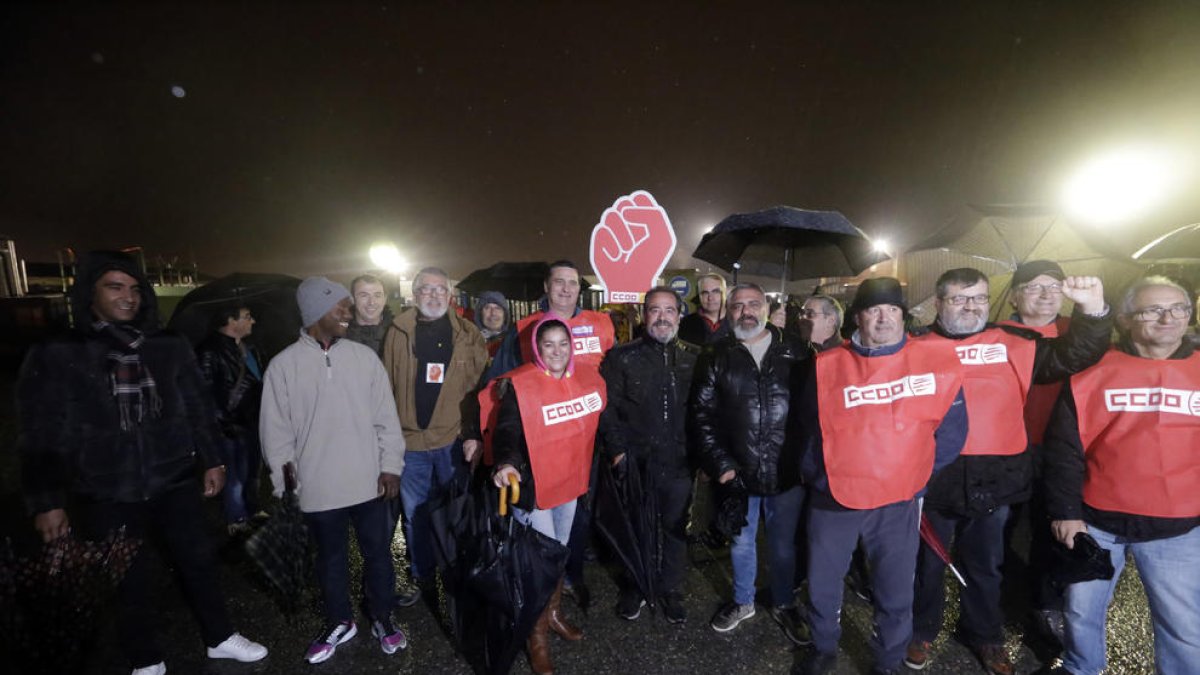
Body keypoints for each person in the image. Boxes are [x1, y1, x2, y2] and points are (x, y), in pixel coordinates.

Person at [18, 250, 268, 675]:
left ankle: (220, 636)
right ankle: (146, 657)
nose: (128, 297)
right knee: (126, 577)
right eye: (114, 287)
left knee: (199, 561)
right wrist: (47, 500)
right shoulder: (60, 353)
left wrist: (212, 459)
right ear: (90, 294)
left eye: (135, 288)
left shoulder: (167, 346)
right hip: (103, 487)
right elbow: (41, 431)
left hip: (172, 477)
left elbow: (197, 408)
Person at [904, 267, 1110, 674]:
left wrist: (1093, 310)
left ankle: (985, 635)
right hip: (932, 475)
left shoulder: (1014, 343)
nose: (971, 306)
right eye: (960, 299)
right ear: (939, 303)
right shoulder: (913, 346)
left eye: (979, 298)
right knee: (927, 563)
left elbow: (1074, 354)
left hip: (994, 477)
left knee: (986, 564)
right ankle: (921, 629)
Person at [793, 277, 968, 675]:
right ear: (858, 316)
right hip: (834, 497)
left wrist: (913, 472)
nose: (884, 318)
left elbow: (952, 432)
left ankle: (888, 660)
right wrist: (819, 475)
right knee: (823, 582)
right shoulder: (826, 366)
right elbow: (806, 430)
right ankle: (823, 648)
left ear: (903, 316)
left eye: (893, 310)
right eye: (875, 310)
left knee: (894, 589)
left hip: (897, 499)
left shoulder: (934, 362)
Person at [1043, 276, 1200, 675]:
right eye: (1152, 310)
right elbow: (1064, 449)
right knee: (1080, 610)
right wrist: (1065, 512)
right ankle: (1081, 667)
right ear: (1127, 319)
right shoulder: (1092, 371)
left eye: (1179, 308)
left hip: (1179, 527)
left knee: (1184, 625)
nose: (1168, 318)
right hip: (1096, 521)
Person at [259, 276, 407, 664]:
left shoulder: (363, 358)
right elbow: (276, 437)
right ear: (314, 312)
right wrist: (285, 488)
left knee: (378, 555)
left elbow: (386, 420)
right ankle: (340, 620)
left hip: (370, 482)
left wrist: (390, 466)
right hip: (318, 488)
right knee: (330, 560)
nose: (348, 312)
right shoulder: (283, 366)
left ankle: (382, 617)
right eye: (340, 306)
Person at [690, 282, 810, 645]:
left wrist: (805, 460)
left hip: (786, 470)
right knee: (741, 543)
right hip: (737, 471)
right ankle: (743, 601)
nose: (746, 312)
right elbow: (701, 415)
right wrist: (720, 464)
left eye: (753, 304)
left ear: (766, 306)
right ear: (729, 313)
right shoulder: (715, 354)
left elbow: (812, 411)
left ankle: (785, 602)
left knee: (783, 544)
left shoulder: (797, 351)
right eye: (738, 305)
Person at [491, 317, 608, 675]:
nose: (557, 351)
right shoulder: (521, 385)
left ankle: (553, 613)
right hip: (533, 488)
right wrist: (507, 463)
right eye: (548, 345)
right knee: (538, 563)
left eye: (563, 343)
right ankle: (535, 636)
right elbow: (507, 429)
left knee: (559, 554)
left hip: (568, 484)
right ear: (537, 350)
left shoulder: (583, 380)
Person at [381, 267, 487, 587]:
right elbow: (384, 387)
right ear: (415, 295)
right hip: (410, 444)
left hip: (451, 440)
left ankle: (456, 571)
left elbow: (478, 391)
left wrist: (472, 435)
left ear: (450, 296)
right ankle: (423, 574)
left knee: (457, 512)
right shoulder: (397, 332)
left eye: (441, 290)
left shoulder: (468, 334)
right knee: (416, 516)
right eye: (427, 289)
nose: (434, 295)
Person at [598, 286, 700, 624]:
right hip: (636, 462)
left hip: (680, 462)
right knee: (636, 529)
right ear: (644, 316)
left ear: (679, 316)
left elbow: (704, 412)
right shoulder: (621, 357)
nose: (662, 317)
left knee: (674, 529)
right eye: (654, 310)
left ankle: (669, 587)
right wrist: (617, 452)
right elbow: (607, 409)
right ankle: (635, 585)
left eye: (669, 310)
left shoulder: (695, 357)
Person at [998, 259, 1074, 645]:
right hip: (1007, 448)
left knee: (1054, 530)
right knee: (999, 529)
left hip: (1060, 451)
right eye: (1034, 287)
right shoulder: (996, 335)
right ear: (1014, 295)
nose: (1046, 295)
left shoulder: (1078, 333)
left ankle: (1048, 605)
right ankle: (995, 599)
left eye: (1055, 287)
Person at [196, 304, 266, 536]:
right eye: (246, 316)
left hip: (252, 420)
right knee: (234, 473)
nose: (252, 321)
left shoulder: (250, 349)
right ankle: (236, 517)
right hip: (229, 424)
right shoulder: (209, 350)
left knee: (252, 469)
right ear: (230, 320)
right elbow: (203, 391)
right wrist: (220, 422)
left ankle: (253, 509)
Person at [345, 274, 395, 356]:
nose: (371, 302)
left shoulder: (399, 332)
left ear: (385, 299)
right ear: (352, 299)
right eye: (364, 295)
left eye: (377, 295)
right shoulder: (338, 335)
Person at [678, 272, 731, 345]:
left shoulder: (737, 322)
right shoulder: (686, 324)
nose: (710, 298)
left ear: (724, 293)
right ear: (699, 296)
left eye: (716, 292)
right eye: (705, 293)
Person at [474, 290, 510, 357]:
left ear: (505, 315)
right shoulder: (469, 342)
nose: (493, 313)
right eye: (487, 308)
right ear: (480, 314)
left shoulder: (513, 343)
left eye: (498, 308)